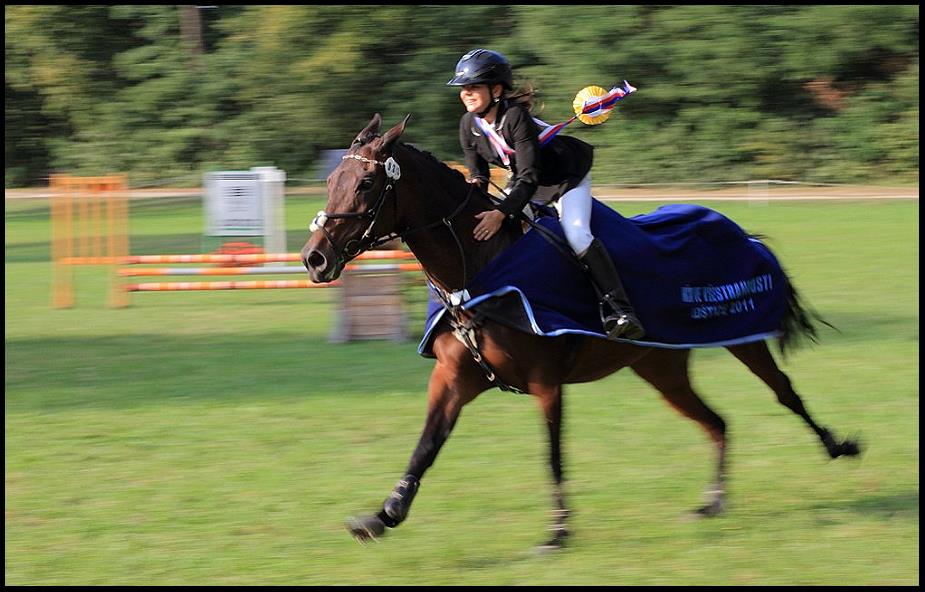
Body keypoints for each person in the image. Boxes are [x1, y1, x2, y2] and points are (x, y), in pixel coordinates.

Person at [447, 48, 645, 340]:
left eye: (473, 87)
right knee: (506, 234)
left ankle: (621, 310)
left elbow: (529, 177)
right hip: (526, 181)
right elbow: (480, 176)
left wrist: (500, 213)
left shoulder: (516, 117)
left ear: (496, 90)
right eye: (463, 88)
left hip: (564, 177)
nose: (466, 93)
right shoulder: (468, 125)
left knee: (577, 235)